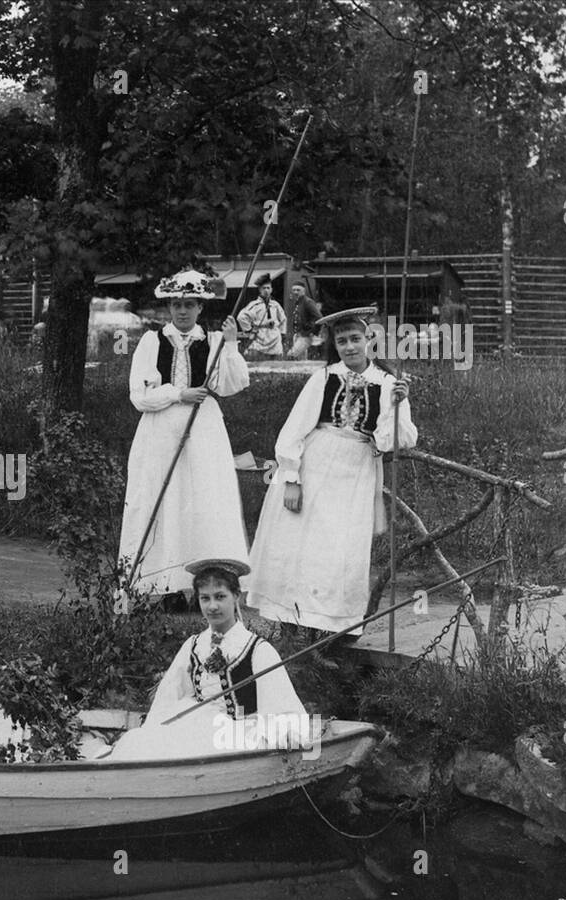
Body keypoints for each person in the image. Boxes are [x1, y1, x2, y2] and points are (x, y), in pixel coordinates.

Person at [246, 307, 416, 635]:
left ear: (369, 340)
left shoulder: (387, 383)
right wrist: (292, 479)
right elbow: (293, 431)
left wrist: (396, 405)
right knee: (302, 545)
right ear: (335, 346)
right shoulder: (323, 378)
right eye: (342, 341)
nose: (350, 347)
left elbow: (397, 438)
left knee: (340, 550)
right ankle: (291, 627)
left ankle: (328, 630)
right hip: (315, 464)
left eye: (355, 339)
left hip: (355, 472)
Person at [116, 266, 249, 601]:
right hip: (160, 429)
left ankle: (202, 587)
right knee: (162, 499)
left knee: (202, 501)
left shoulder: (214, 341)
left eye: (190, 304)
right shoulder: (151, 341)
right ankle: (162, 586)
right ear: (169, 307)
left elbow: (231, 385)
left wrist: (231, 346)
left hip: (203, 430)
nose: (183, 310)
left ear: (201, 307)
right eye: (177, 304)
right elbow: (139, 396)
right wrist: (178, 394)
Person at [107, 560, 309, 760]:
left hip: (240, 735)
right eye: (205, 598)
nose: (212, 606)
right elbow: (169, 696)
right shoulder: (194, 645)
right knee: (144, 743)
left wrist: (284, 734)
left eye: (220, 597)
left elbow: (281, 704)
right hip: (200, 724)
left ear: (236, 596)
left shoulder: (258, 650)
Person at [238, 273, 287, 358]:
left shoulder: (275, 305)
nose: (266, 290)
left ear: (271, 289)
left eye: (268, 288)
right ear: (259, 290)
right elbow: (241, 317)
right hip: (261, 336)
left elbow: (283, 319)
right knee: (256, 360)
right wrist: (250, 329)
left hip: (275, 337)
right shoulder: (254, 305)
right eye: (264, 288)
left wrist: (282, 333)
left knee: (276, 361)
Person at [289, 283, 324, 360]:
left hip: (305, 335)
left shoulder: (308, 302)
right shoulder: (298, 302)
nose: (295, 292)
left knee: (291, 355)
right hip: (298, 334)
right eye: (294, 290)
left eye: (298, 290)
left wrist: (312, 331)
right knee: (300, 360)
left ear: (303, 291)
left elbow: (319, 317)